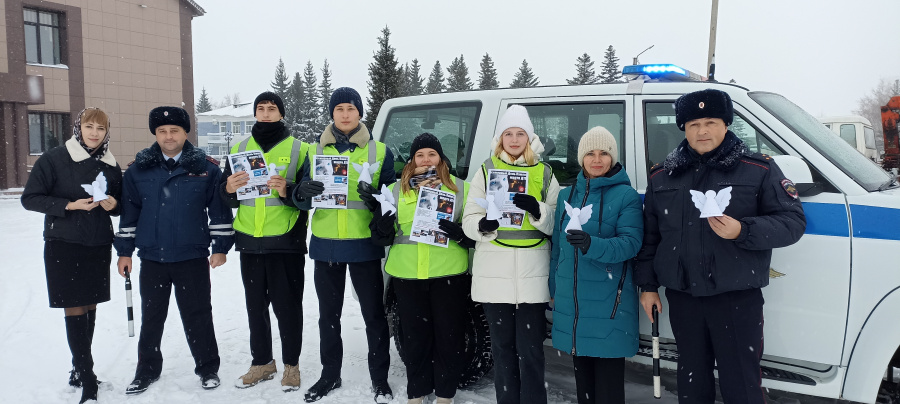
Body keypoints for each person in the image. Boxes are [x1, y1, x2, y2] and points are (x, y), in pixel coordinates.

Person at [634, 89, 806, 403]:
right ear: (683, 128)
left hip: (736, 299)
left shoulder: (758, 169)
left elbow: (792, 223)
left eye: (711, 122)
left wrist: (743, 230)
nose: (702, 131)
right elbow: (651, 236)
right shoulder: (662, 176)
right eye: (693, 123)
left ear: (726, 125)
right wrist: (647, 286)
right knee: (691, 383)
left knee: (741, 384)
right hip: (685, 299)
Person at [114, 106, 235, 395]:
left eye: (175, 131)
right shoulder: (138, 170)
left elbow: (218, 213)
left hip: (191, 256)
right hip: (153, 257)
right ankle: (146, 372)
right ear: (155, 134)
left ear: (185, 132)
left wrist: (220, 247)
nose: (169, 136)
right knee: (152, 317)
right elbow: (129, 215)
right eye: (162, 131)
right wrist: (125, 251)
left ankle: (207, 368)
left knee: (198, 314)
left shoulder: (206, 168)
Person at [291, 87, 396, 403]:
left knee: (374, 316)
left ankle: (380, 379)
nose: (346, 114)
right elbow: (297, 199)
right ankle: (329, 376)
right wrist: (301, 192)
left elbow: (392, 200)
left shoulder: (380, 151)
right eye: (340, 109)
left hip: (364, 245)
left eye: (351, 108)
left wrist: (377, 201)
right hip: (327, 246)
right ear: (332, 114)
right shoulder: (313, 152)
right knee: (328, 316)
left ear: (360, 113)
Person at [21, 108, 122, 404]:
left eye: (100, 129)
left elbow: (118, 204)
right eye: (89, 126)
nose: (94, 133)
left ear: (106, 133)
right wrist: (70, 205)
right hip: (64, 242)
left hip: (98, 242)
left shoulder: (110, 164)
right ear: (78, 128)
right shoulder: (54, 158)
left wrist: (112, 204)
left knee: (89, 304)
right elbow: (30, 198)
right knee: (74, 305)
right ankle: (88, 377)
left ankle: (79, 369)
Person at [462, 105, 560, 404]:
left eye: (520, 134)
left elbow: (557, 222)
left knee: (530, 350)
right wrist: (484, 224)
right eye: (509, 134)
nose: (514, 140)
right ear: (500, 138)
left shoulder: (545, 173)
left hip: (533, 275)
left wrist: (538, 210)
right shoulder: (485, 170)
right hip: (495, 275)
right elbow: (468, 220)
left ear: (529, 139)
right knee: (503, 350)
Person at [220, 92, 315, 392]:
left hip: (285, 241)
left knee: (288, 308)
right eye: (260, 109)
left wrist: (289, 190)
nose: (265, 113)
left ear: (281, 114)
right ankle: (262, 363)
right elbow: (228, 196)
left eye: (271, 109)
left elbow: (309, 195)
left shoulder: (299, 149)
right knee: (254, 307)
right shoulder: (239, 148)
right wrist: (229, 188)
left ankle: (291, 365)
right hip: (249, 239)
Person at [369, 133, 474, 404]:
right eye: (420, 155)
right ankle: (417, 392)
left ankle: (445, 395)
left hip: (448, 273)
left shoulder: (462, 188)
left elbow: (475, 232)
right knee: (414, 339)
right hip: (407, 274)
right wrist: (380, 226)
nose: (426, 160)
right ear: (412, 160)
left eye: (432, 154)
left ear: (441, 158)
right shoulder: (394, 190)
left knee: (448, 338)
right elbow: (383, 236)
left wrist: (461, 234)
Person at [548, 126, 643, 404]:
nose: (597, 159)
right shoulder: (567, 197)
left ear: (612, 158)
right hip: (573, 302)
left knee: (608, 386)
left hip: (608, 301)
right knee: (584, 384)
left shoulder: (626, 196)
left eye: (604, 153)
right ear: (581, 157)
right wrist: (554, 286)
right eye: (590, 153)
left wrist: (593, 245)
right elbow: (557, 248)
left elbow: (630, 243)